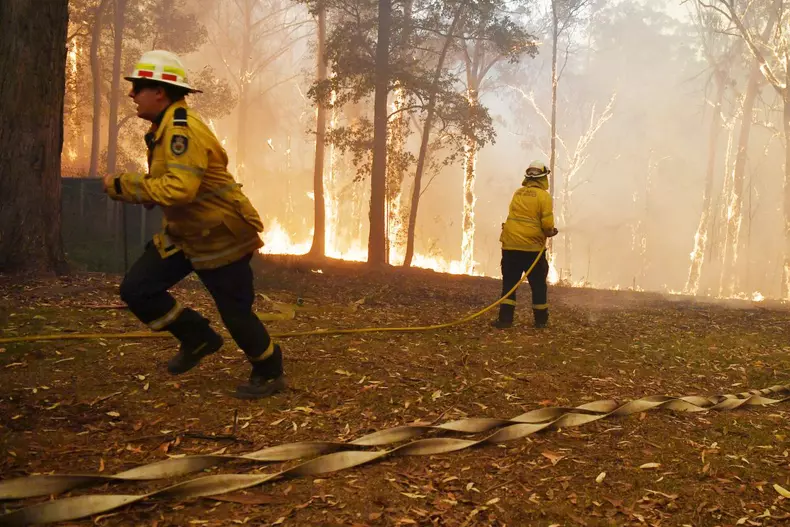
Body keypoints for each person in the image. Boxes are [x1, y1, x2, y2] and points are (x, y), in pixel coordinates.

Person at [102, 50, 284, 399]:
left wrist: (126, 186)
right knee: (138, 289)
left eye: (138, 87)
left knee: (235, 313)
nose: (132, 94)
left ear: (160, 91)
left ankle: (270, 369)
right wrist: (154, 192)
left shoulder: (181, 131)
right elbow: (178, 183)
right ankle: (198, 337)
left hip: (220, 236)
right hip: (186, 235)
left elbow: (180, 189)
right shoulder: (166, 126)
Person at [493, 160, 558, 329]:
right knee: (538, 285)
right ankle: (541, 321)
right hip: (532, 249)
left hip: (510, 246)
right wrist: (550, 231)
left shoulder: (518, 193)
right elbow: (547, 225)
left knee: (509, 284)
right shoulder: (544, 197)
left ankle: (505, 320)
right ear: (544, 178)